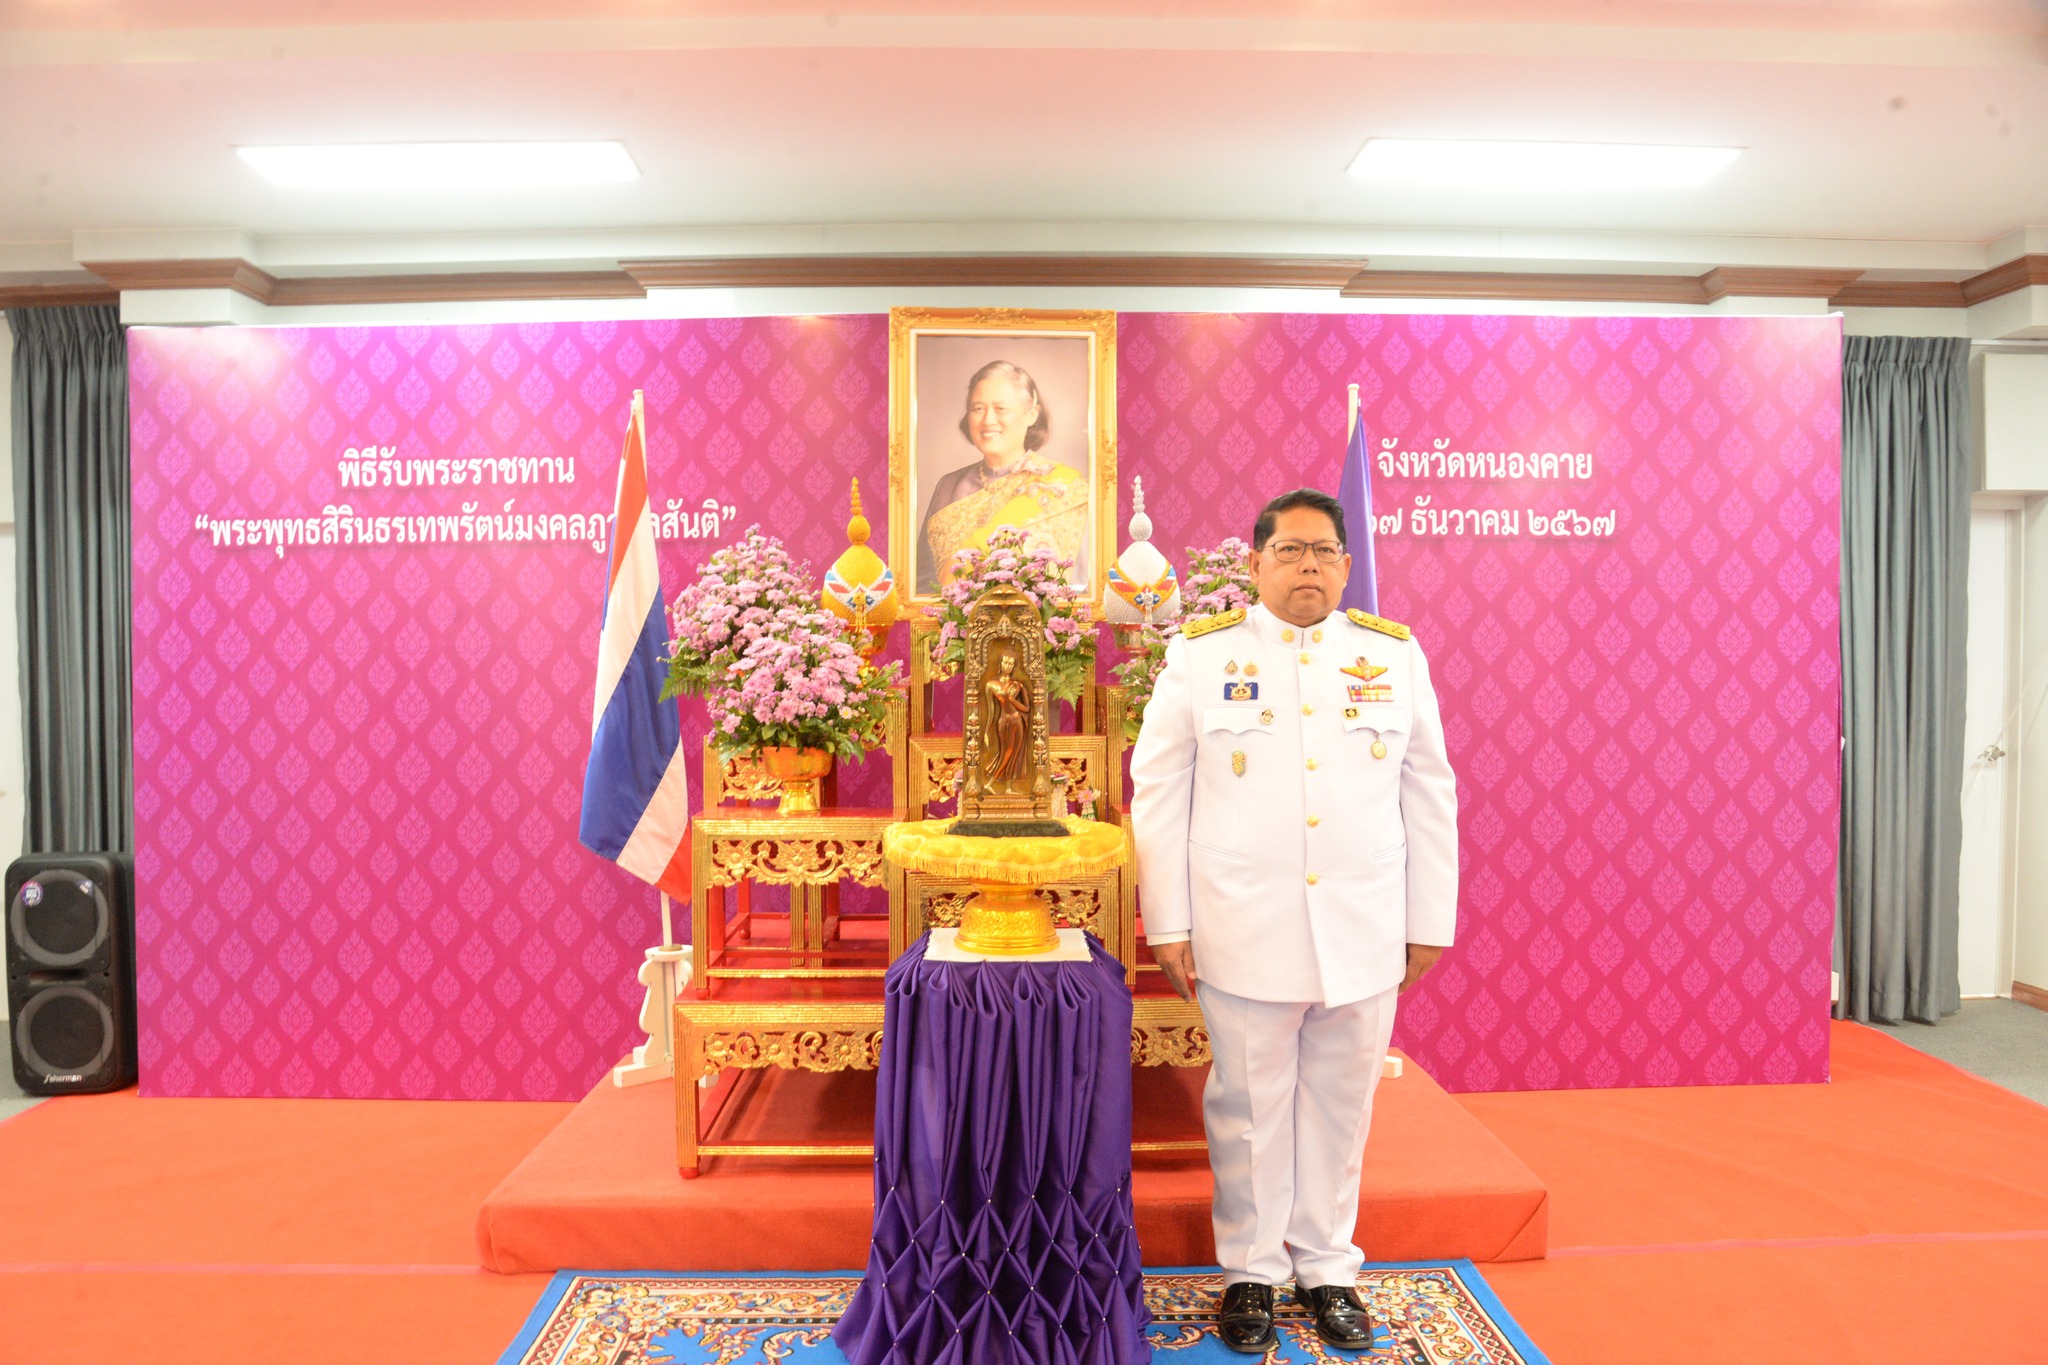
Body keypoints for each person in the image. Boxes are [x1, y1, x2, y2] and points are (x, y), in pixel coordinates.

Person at [1129, 488, 1458, 1355]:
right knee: (1246, 1109)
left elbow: (1430, 788)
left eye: (1322, 551)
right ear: (1256, 563)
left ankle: (1328, 1271)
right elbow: (1157, 794)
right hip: (1244, 926)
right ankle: (1249, 1272)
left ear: (1346, 566)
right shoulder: (1201, 657)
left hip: (1364, 924)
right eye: (1289, 550)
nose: (1307, 565)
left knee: (1342, 1106)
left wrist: (1430, 918)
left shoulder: (1392, 656)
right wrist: (1168, 920)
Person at [917, 359, 1089, 595]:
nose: (988, 420)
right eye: (978, 408)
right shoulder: (948, 486)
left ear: (1031, 414)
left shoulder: (1064, 489)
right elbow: (923, 584)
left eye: (1001, 408)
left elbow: (1079, 586)